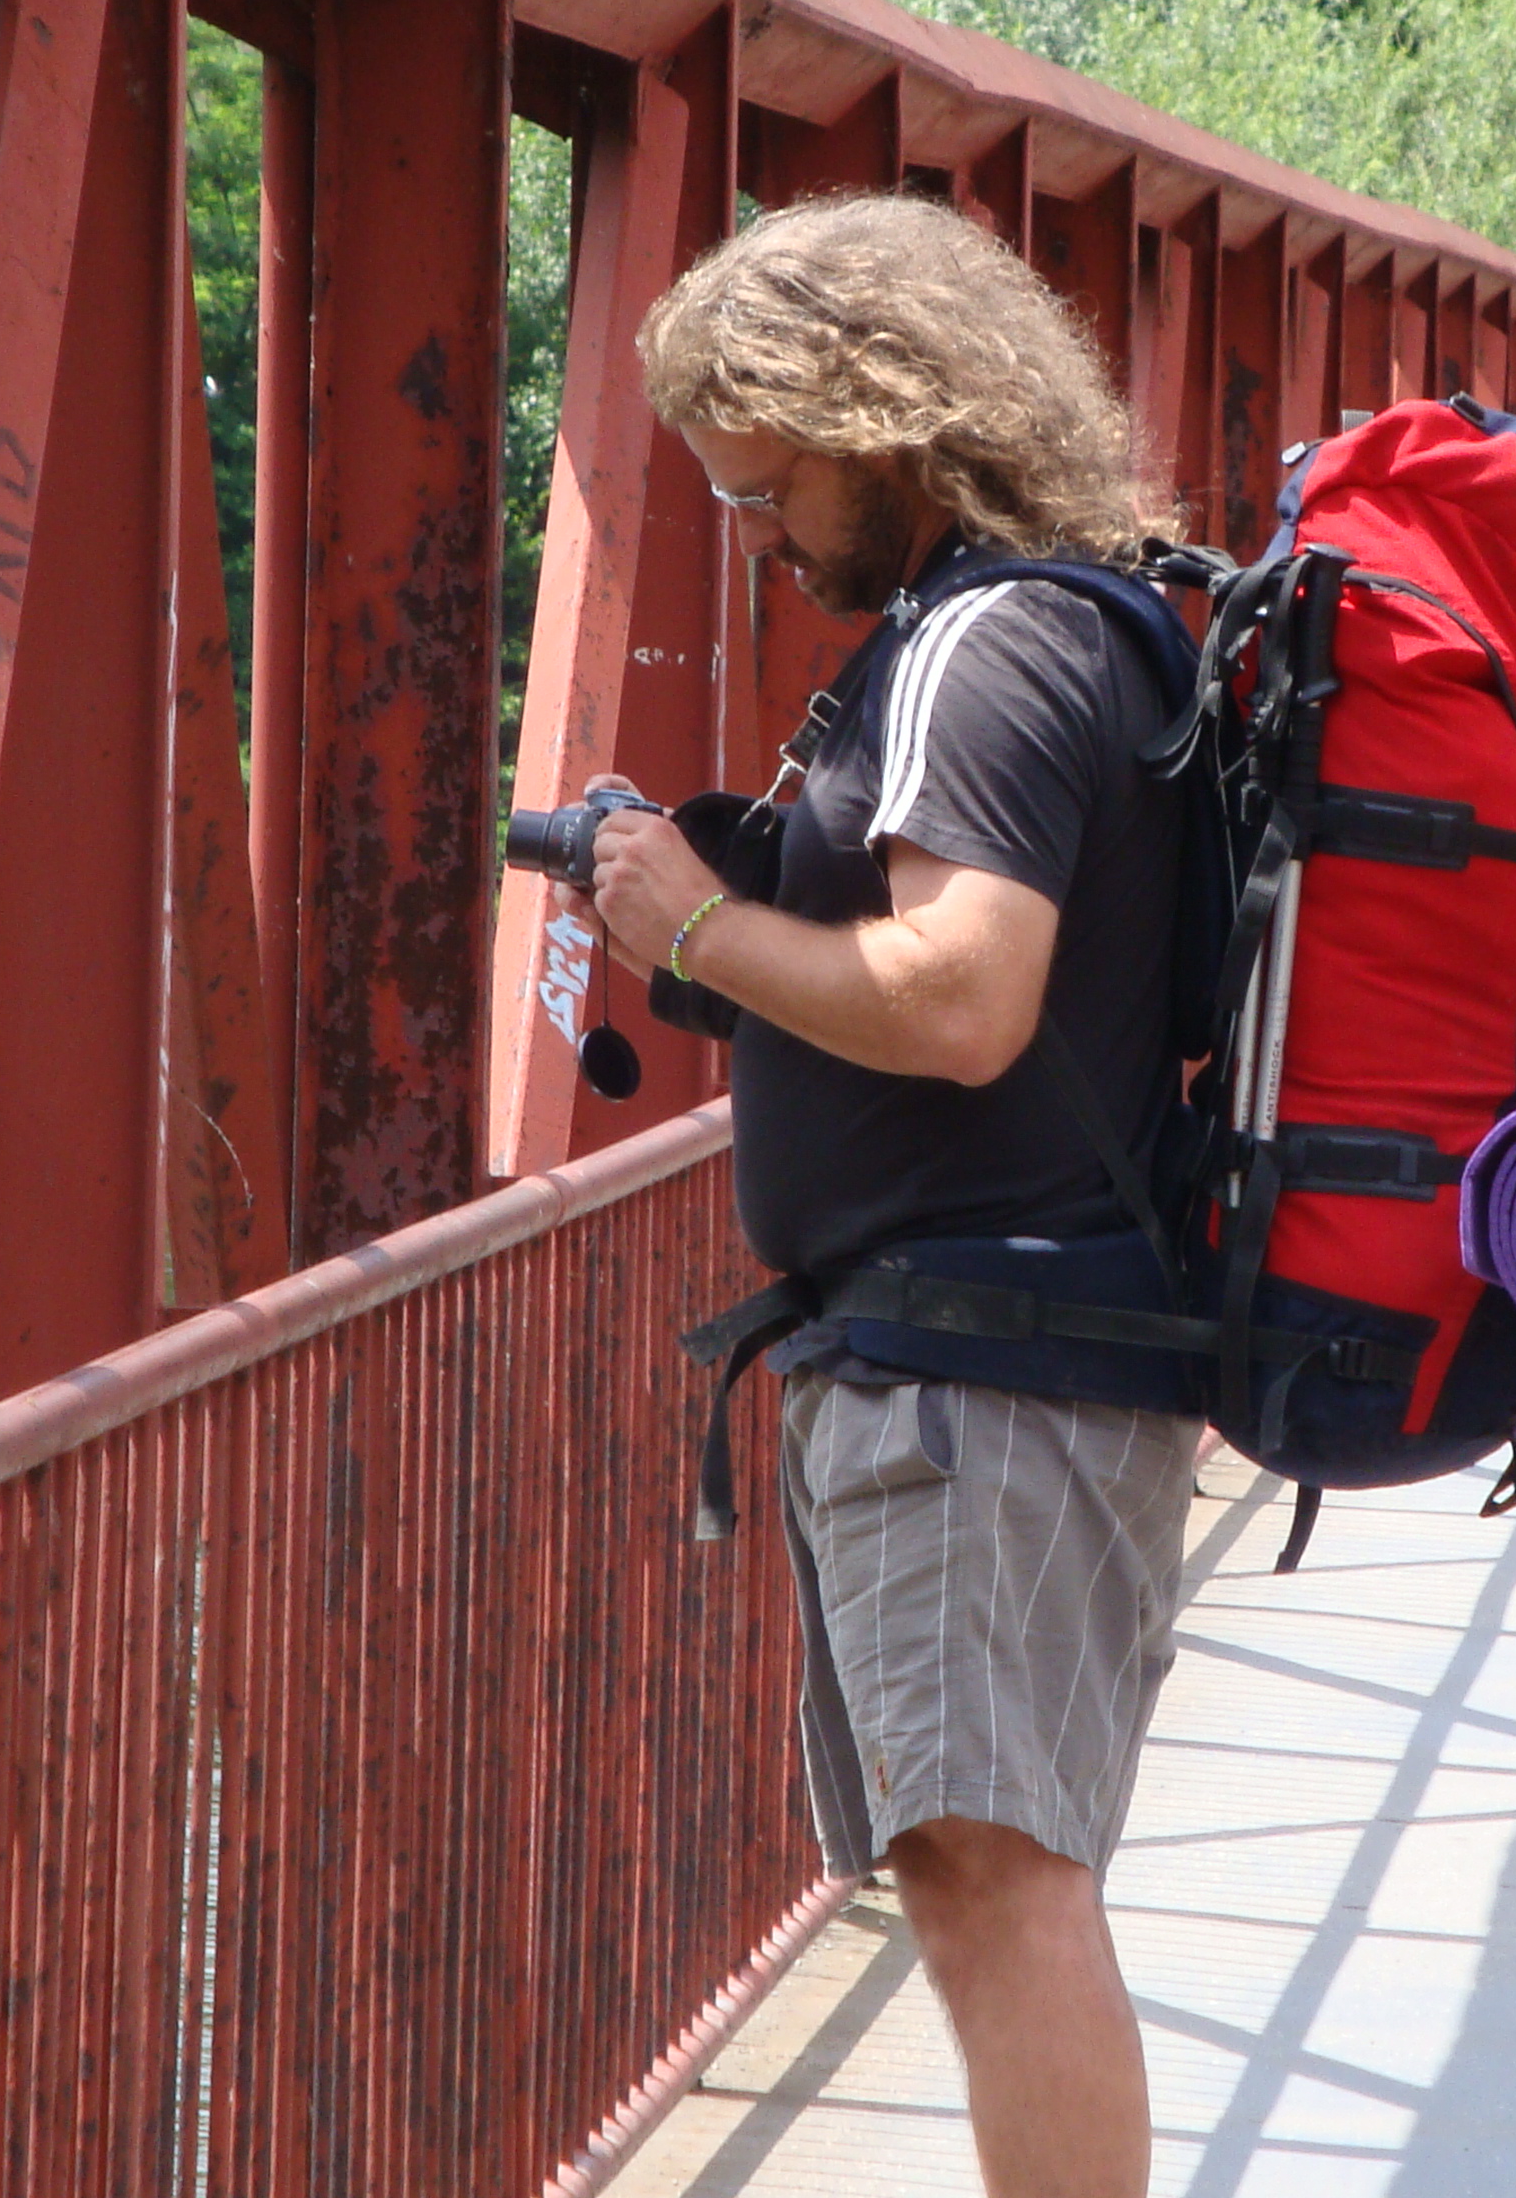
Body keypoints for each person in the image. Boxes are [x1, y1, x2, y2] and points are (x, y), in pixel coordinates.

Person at [575, 193, 1191, 2198]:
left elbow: (960, 998)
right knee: (985, 1874)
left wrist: (691, 930)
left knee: (1001, 1886)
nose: (756, 533)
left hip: (983, 1376)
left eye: (769, 488)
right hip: (1006, 1357)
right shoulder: (1051, 619)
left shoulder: (984, 648)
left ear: (883, 420)